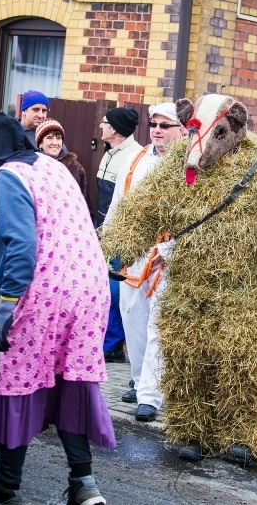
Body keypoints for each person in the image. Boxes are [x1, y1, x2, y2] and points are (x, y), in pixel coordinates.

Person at [103, 93, 257, 462]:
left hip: (249, 295)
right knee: (186, 361)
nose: (203, 143)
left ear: (236, 128)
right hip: (189, 289)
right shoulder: (177, 167)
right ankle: (192, 431)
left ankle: (240, 434)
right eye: (195, 130)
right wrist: (122, 247)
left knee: (244, 364)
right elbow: (144, 207)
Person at [0, 112, 115, 505]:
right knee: (73, 382)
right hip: (89, 288)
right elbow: (46, 222)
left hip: (45, 292)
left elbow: (21, 242)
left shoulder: (6, 174)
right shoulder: (52, 167)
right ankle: (84, 486)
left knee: (19, 383)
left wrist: (6, 306)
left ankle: (4, 489)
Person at [102, 103, 186, 422]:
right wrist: (110, 247)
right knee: (133, 320)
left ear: (182, 130)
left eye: (165, 125)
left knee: (156, 325)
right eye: (154, 124)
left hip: (169, 257)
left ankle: (151, 395)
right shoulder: (135, 160)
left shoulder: (191, 166)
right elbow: (117, 206)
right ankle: (139, 382)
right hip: (133, 256)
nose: (157, 130)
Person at [95, 107, 142, 364]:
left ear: (114, 128)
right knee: (105, 288)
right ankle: (107, 341)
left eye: (104, 123)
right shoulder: (109, 154)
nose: (101, 126)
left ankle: (113, 345)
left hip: (119, 233)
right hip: (103, 227)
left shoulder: (134, 156)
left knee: (116, 290)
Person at [35, 118, 88, 201]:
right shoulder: (33, 166)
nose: (55, 143)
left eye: (59, 138)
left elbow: (84, 200)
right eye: (50, 137)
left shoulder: (75, 168)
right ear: (40, 143)